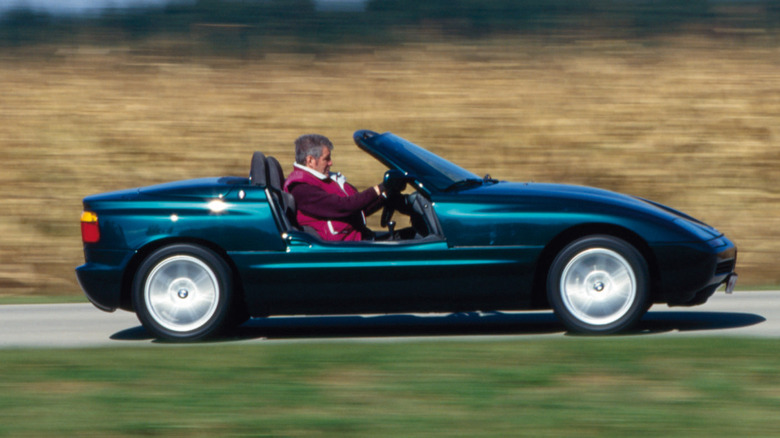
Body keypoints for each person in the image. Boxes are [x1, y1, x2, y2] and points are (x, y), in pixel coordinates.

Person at [283, 134, 386, 241]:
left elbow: (359, 208)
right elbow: (344, 206)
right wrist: (379, 189)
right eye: (326, 159)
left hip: (357, 240)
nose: (331, 163)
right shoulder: (301, 189)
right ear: (310, 161)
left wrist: (385, 195)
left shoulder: (326, 179)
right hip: (340, 250)